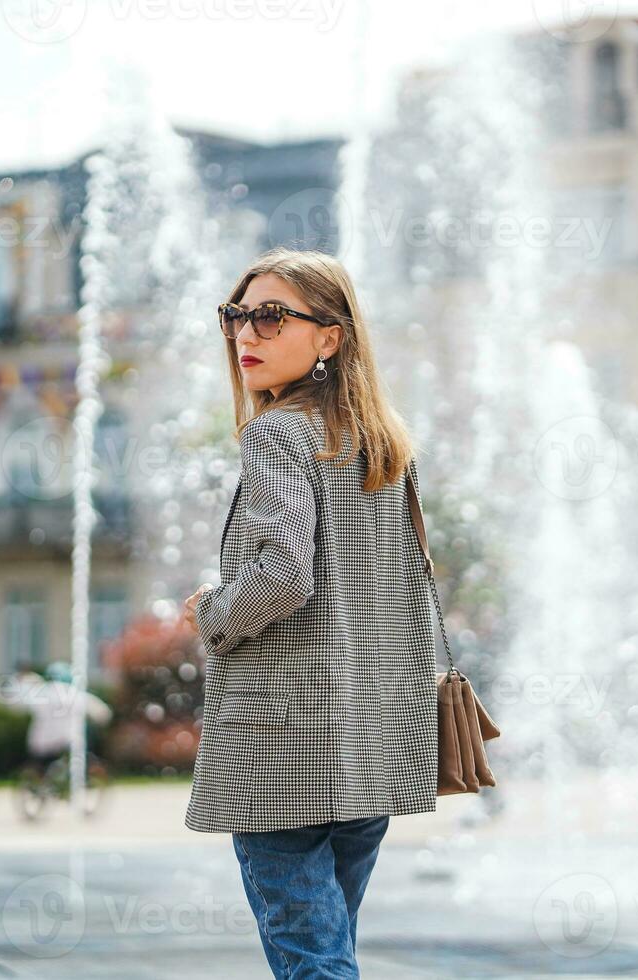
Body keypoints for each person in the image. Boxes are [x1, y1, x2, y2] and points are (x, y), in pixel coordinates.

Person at [180, 247, 438, 978]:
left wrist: (214, 612)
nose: (245, 336)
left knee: (314, 963)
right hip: (371, 741)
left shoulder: (277, 433)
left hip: (282, 748)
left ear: (330, 336)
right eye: (236, 316)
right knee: (329, 952)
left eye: (271, 317)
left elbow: (285, 576)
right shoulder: (385, 444)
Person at [0, 661, 113, 774]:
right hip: (69, 741)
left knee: (39, 767)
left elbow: (17, 705)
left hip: (42, 744)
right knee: (82, 757)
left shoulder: (40, 693)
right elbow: (102, 712)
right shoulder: (75, 693)